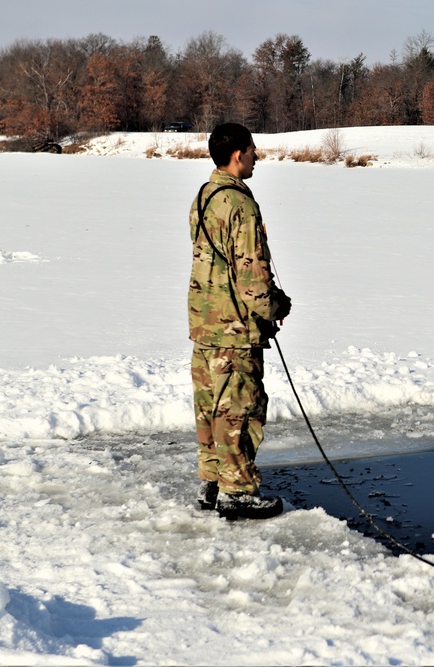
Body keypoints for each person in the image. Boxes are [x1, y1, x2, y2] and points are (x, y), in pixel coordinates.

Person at [188, 122, 291, 520]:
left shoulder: (204, 196)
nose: (256, 157)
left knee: (211, 407)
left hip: (205, 322)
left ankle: (213, 483)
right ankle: (237, 492)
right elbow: (250, 278)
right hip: (233, 328)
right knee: (238, 409)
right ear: (238, 154)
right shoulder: (240, 205)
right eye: (252, 150)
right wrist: (275, 307)